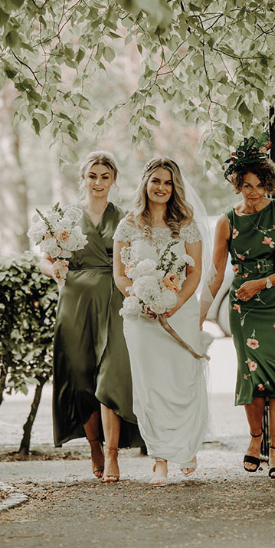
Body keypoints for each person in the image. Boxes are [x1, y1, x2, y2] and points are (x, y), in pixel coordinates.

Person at [205, 135, 275, 480]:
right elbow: (217, 272)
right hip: (244, 307)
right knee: (253, 376)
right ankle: (255, 440)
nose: (254, 192)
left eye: (260, 185)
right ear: (237, 185)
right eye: (246, 185)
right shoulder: (226, 222)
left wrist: (262, 283)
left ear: (269, 184)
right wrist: (200, 309)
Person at [39, 151, 143, 482]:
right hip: (76, 300)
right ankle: (95, 446)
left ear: (113, 181)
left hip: (113, 300)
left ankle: (112, 456)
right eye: (92, 176)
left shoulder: (126, 218)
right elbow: (45, 258)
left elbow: (135, 262)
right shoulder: (66, 217)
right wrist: (54, 268)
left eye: (105, 177)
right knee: (81, 377)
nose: (98, 183)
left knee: (111, 375)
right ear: (82, 178)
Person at [113, 158, 209, 486]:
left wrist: (175, 302)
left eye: (167, 183)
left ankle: (184, 446)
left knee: (181, 380)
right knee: (150, 386)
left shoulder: (186, 223)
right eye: (156, 181)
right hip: (141, 317)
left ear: (175, 187)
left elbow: (194, 271)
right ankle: (160, 460)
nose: (161, 188)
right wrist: (141, 296)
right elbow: (120, 274)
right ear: (145, 183)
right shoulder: (127, 225)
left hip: (179, 311)